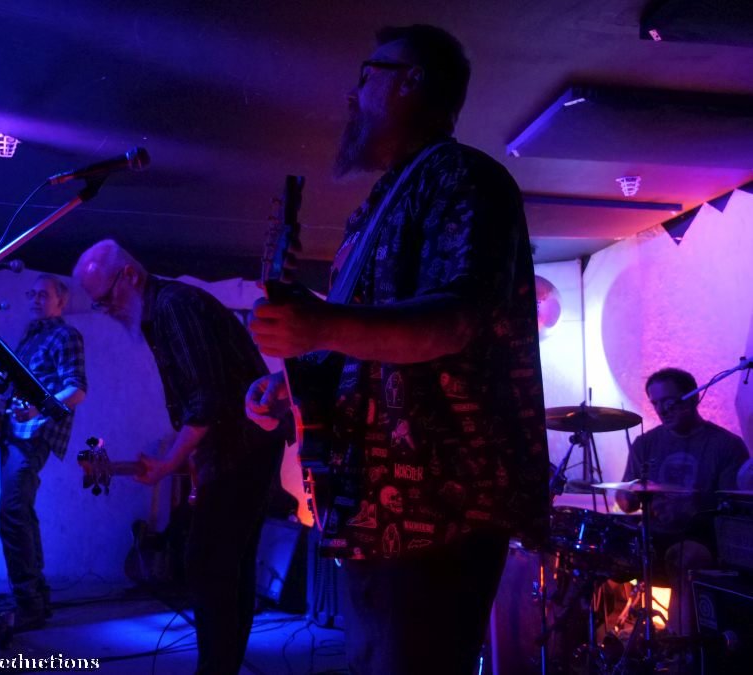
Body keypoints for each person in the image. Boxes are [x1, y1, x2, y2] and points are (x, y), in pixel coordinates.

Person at [245, 24, 549, 674]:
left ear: (412, 82)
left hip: (440, 505)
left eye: (367, 74)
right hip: (370, 504)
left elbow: (455, 319)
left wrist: (321, 326)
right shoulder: (374, 210)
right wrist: (292, 382)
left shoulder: (465, 177)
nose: (353, 93)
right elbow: (360, 352)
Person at [73, 240, 285, 675]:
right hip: (240, 446)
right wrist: (186, 459)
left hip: (243, 447)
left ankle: (215, 668)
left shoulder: (175, 307)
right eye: (97, 304)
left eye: (106, 297)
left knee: (207, 563)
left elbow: (207, 402)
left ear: (130, 275)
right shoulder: (162, 312)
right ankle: (220, 667)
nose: (106, 309)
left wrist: (169, 462)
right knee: (227, 563)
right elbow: (203, 401)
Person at [0, 274, 87, 632]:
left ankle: (28, 606)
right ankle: (37, 598)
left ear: (61, 301)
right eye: (32, 293)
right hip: (13, 432)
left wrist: (39, 408)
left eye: (44, 294)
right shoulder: (30, 337)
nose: (36, 299)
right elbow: (14, 385)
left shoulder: (65, 335)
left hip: (34, 434)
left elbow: (77, 389)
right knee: (20, 512)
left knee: (11, 513)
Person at [616, 367, 749, 636]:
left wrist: (692, 509)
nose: (662, 410)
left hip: (703, 538)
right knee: (591, 552)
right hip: (654, 535)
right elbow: (626, 501)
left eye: (669, 401)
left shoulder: (726, 445)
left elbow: (732, 511)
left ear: (693, 397)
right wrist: (627, 496)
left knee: (683, 556)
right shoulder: (645, 443)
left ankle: (680, 647)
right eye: (656, 403)